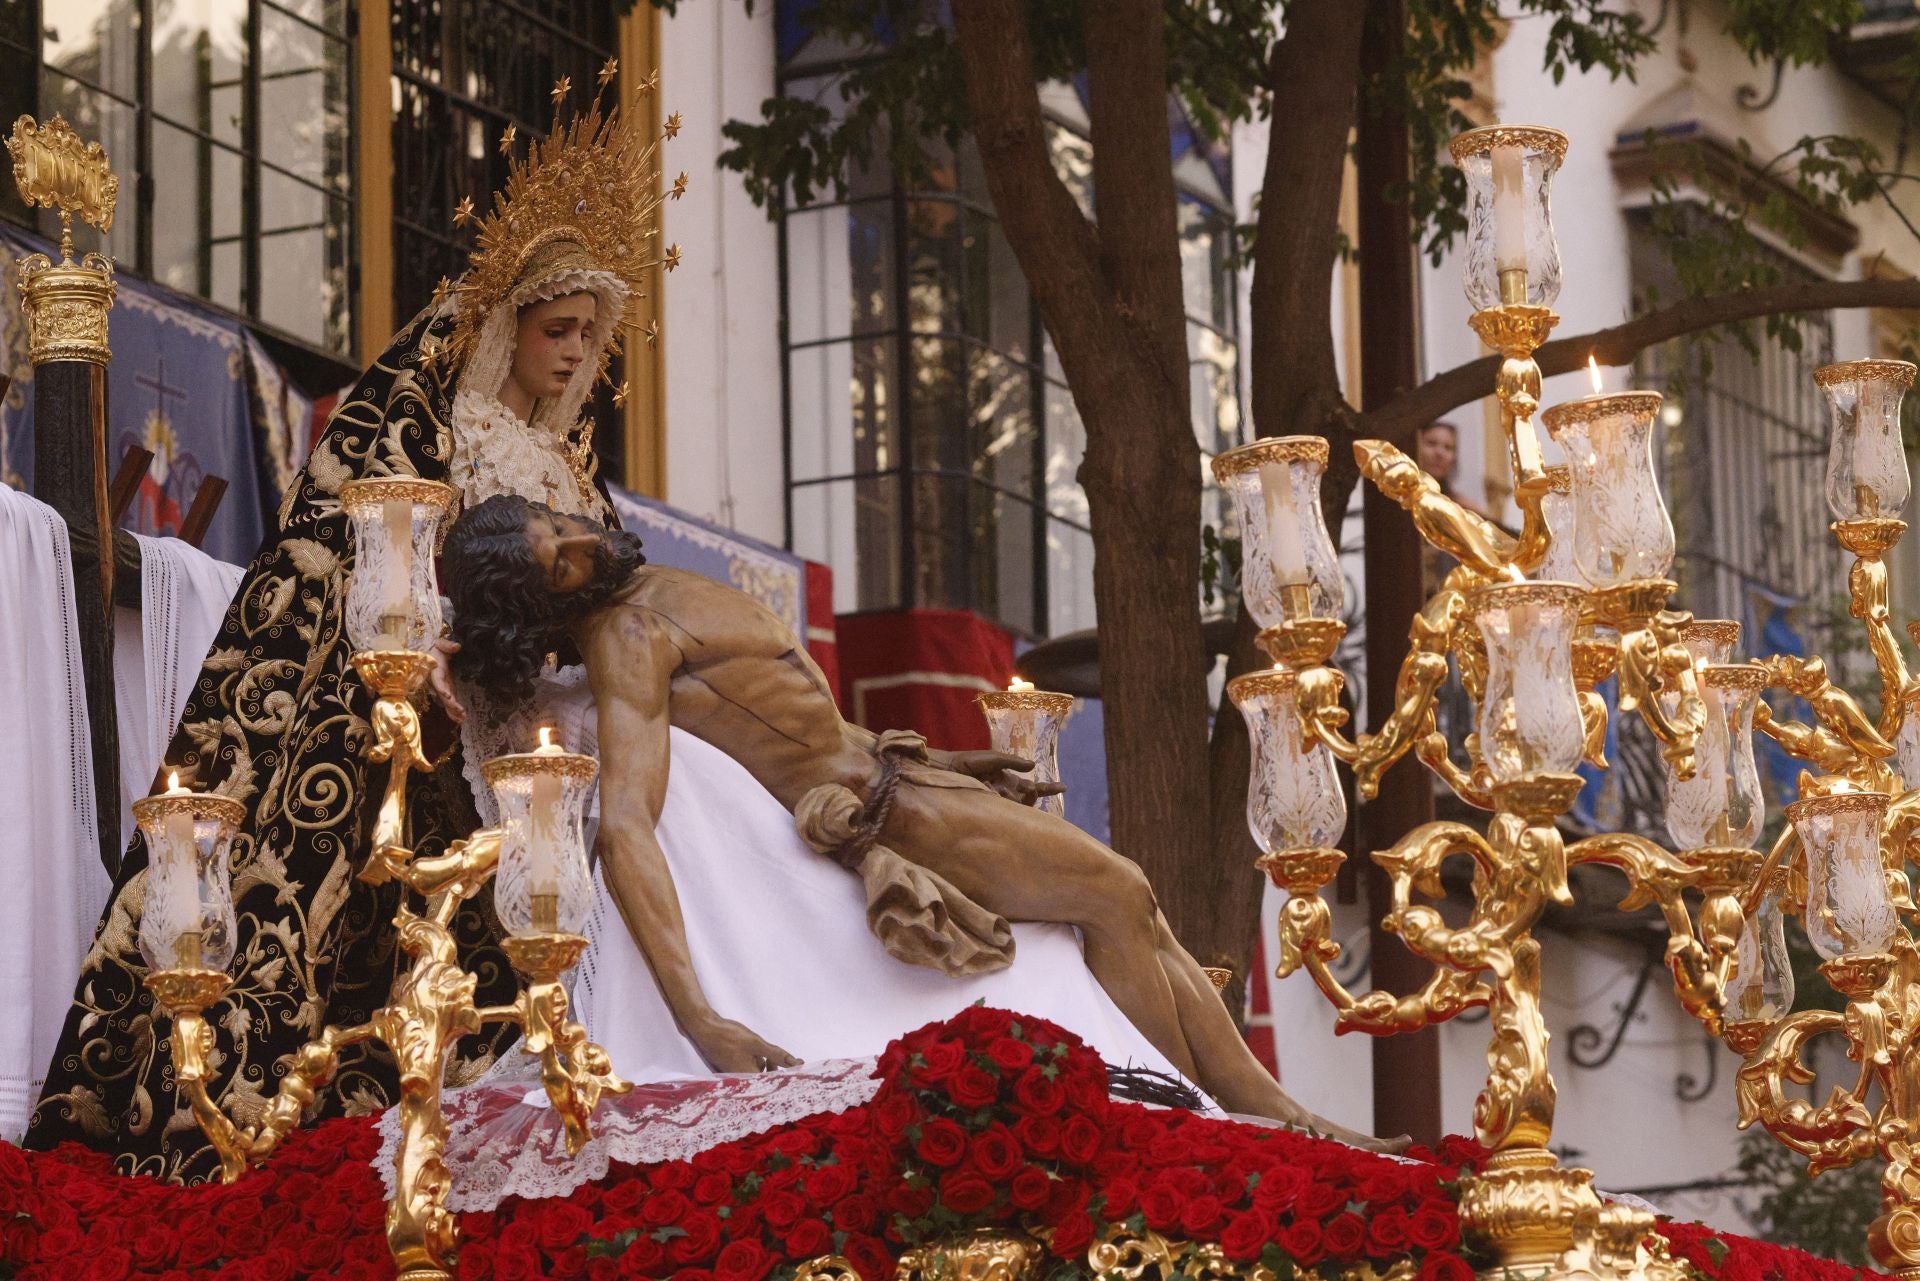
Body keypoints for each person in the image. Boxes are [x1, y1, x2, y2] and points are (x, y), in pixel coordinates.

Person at [24, 90, 668, 1182]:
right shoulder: (432, 420)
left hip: (560, 724)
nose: (574, 359)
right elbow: (362, 548)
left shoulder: (573, 469)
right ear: (506, 323)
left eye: (591, 340)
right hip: (452, 712)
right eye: (558, 332)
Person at [441, 494, 1401, 1150]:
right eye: (556, 563)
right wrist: (703, 1019)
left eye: (556, 520)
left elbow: (794, 714)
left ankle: (1264, 1110)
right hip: (890, 816)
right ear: (543, 607)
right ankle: (1220, 1114)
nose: (577, 538)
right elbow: (629, 832)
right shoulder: (631, 639)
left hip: (906, 775)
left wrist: (945, 757)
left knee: (1133, 906)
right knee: (1119, 894)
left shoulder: (650, 597)